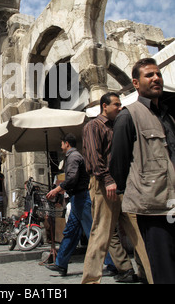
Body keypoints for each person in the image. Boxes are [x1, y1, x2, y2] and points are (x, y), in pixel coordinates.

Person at [110, 58, 175, 284]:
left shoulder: (168, 116)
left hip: (173, 202)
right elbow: (117, 164)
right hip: (152, 209)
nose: (156, 78)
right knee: (164, 272)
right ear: (136, 83)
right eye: (149, 75)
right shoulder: (128, 116)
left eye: (158, 74)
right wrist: (139, 190)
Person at [81, 92, 152, 284]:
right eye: (116, 105)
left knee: (138, 231)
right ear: (105, 106)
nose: (120, 108)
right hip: (104, 185)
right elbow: (95, 158)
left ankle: (151, 275)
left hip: (124, 184)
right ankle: (90, 280)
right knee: (101, 234)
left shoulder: (117, 126)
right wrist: (107, 179)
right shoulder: (93, 126)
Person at [45, 134, 115, 276]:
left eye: (62, 144)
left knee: (93, 232)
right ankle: (61, 264)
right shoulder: (73, 156)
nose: (61, 146)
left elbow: (71, 178)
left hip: (81, 198)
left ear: (66, 144)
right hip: (77, 199)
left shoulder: (73, 157)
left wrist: (57, 189)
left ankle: (112, 264)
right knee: (71, 232)